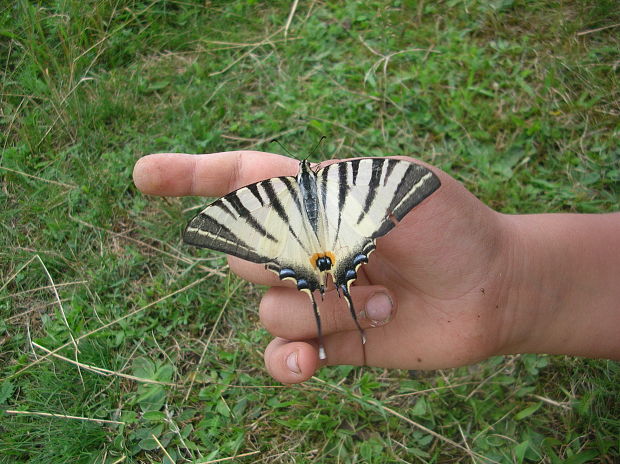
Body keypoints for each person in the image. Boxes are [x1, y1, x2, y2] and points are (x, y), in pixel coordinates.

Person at [133, 151, 620, 384]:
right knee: (323, 290)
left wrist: (500, 278)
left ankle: (326, 287)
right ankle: (333, 289)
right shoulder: (350, 180)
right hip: (342, 241)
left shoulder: (271, 196)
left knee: (315, 289)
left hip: (312, 248)